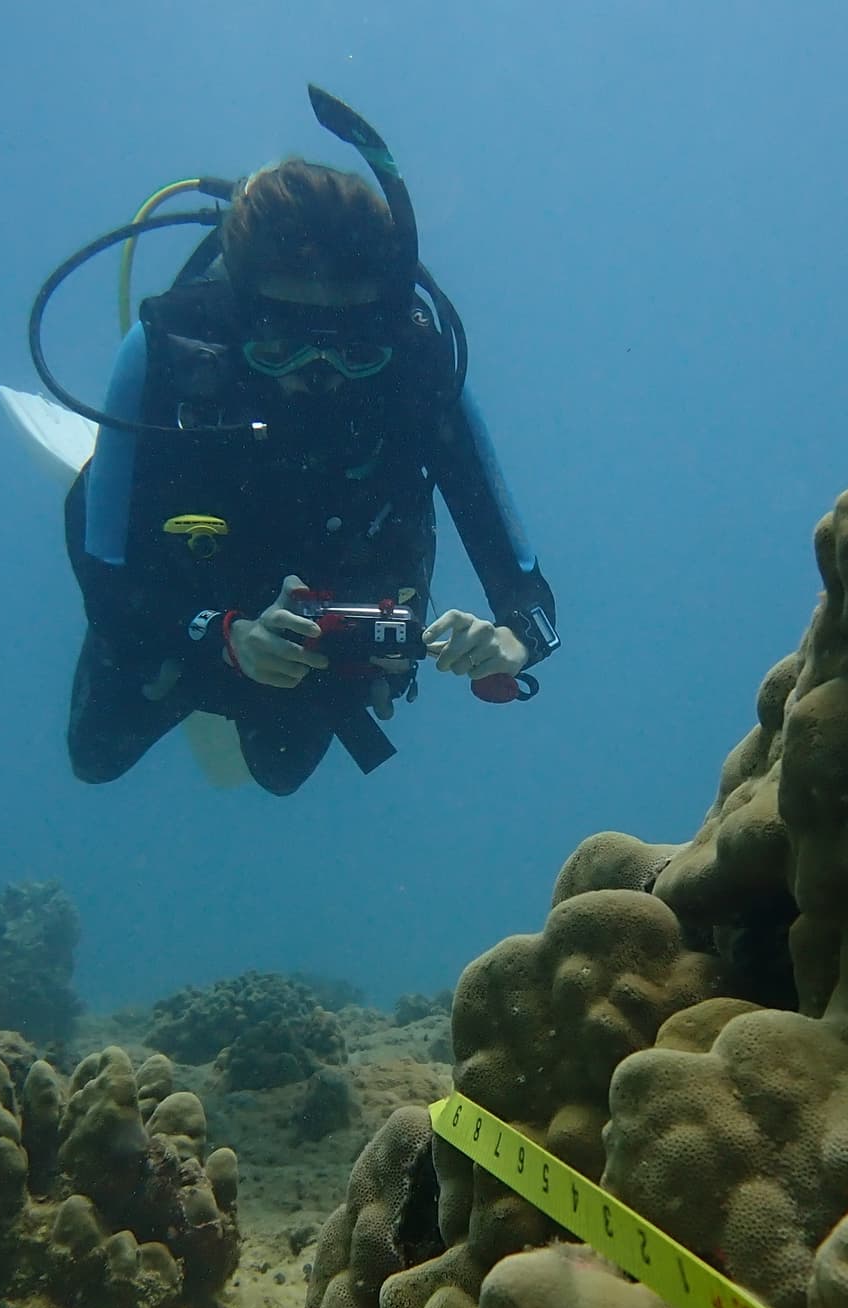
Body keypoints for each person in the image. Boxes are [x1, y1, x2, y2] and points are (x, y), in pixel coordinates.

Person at [49, 92, 559, 795]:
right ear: (238, 318)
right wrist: (222, 634)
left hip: (327, 609)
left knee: (281, 773)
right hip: (190, 598)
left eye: (353, 352)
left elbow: (524, 582)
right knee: (95, 756)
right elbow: (106, 575)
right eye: (282, 349)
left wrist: (511, 641)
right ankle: (117, 469)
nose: (319, 379)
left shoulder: (417, 361)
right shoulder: (170, 346)